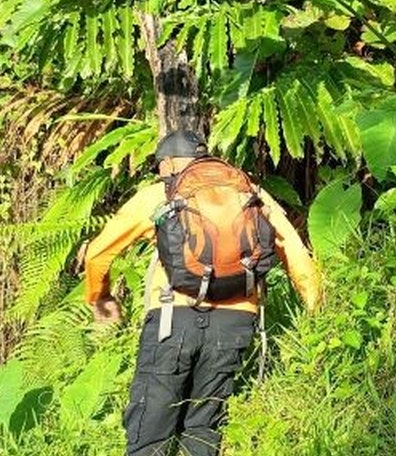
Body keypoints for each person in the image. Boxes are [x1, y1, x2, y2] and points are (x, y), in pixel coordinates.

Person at [83, 130, 321, 456]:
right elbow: (294, 250)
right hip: (237, 321)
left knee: (151, 425)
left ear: (167, 163)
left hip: (172, 319)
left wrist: (100, 297)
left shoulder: (159, 195)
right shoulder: (249, 193)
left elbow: (98, 254)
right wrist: (316, 315)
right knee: (204, 427)